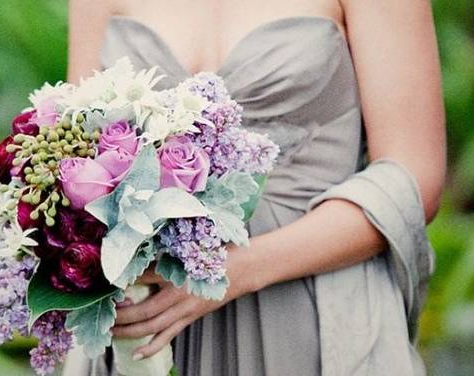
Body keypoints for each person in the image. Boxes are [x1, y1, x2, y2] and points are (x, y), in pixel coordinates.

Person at [65, 0, 446, 374]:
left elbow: (410, 177)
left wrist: (231, 271)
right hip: (151, 320)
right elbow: (75, 153)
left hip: (307, 307)